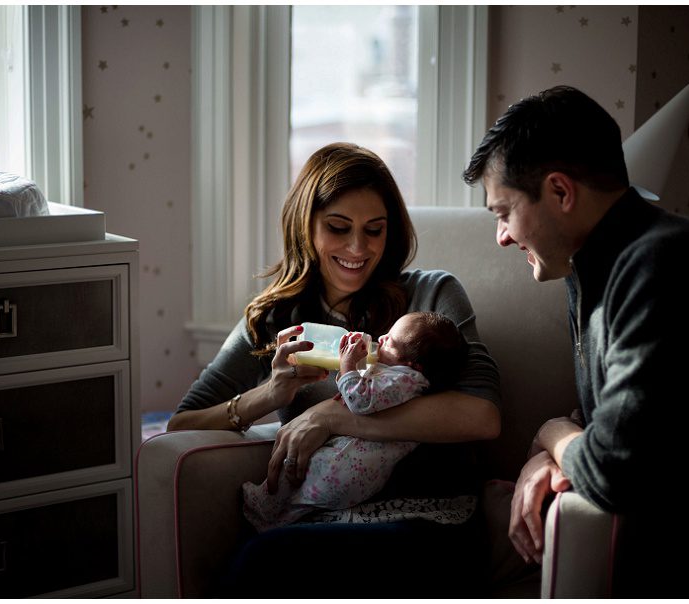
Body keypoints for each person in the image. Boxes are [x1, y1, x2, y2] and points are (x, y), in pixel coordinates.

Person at [463, 86, 689, 597]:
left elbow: (612, 468)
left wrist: (550, 433)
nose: (502, 236)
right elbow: (620, 417)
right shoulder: (594, 266)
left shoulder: (663, 265)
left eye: (504, 212)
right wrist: (544, 457)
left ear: (560, 192)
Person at [170, 142, 502, 597]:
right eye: (338, 228)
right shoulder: (275, 320)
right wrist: (269, 394)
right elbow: (181, 423)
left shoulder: (431, 296)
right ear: (305, 226)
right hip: (318, 518)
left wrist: (328, 417)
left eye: (375, 230)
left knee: (264, 561)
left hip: (430, 520)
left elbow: (481, 416)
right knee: (262, 557)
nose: (358, 248)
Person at [242, 311, 467, 532]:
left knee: (301, 478)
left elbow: (359, 401)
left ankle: (264, 506)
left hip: (344, 468)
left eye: (391, 342)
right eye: (387, 333)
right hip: (356, 475)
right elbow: (367, 395)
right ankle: (277, 520)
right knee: (302, 501)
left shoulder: (405, 382)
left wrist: (348, 366)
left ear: (413, 365)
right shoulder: (401, 379)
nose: (382, 339)